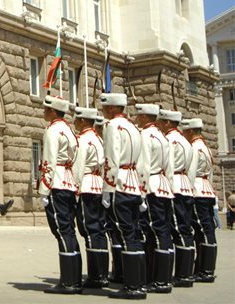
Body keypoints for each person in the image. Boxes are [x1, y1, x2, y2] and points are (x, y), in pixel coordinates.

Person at [100, 93, 145, 299]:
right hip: (134, 183)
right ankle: (139, 282)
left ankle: (132, 286)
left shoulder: (112, 127)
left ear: (110, 108)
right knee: (134, 234)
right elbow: (143, 161)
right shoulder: (133, 127)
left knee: (125, 235)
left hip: (121, 185)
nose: (102, 110)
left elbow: (111, 158)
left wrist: (108, 189)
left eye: (104, 107)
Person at [37, 96, 81, 294]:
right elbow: (75, 156)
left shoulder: (53, 130)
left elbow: (49, 160)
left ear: (53, 111)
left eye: (46, 109)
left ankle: (69, 281)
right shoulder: (69, 130)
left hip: (57, 182)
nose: (44, 112)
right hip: (69, 181)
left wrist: (44, 189)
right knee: (69, 231)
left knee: (62, 231)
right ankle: (75, 277)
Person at [135, 104, 173, 294]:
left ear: (144, 117)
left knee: (153, 233)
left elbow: (143, 166)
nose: (136, 118)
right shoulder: (162, 136)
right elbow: (170, 166)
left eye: (138, 116)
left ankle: (158, 278)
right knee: (163, 231)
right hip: (164, 185)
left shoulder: (145, 135)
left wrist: (141, 192)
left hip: (151, 186)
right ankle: (164, 277)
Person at [157, 109, 196, 287]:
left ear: (167, 123)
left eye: (161, 122)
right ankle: (186, 272)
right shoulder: (185, 141)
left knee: (176, 230)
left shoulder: (170, 140)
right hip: (186, 183)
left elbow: (168, 166)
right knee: (185, 230)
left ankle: (181, 274)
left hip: (175, 186)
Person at [71, 106, 108, 288]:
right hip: (98, 184)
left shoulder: (83, 140)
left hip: (86, 185)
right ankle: (102, 272)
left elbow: (78, 167)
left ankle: (96, 275)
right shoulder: (99, 139)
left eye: (77, 119)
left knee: (89, 230)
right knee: (99, 231)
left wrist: (75, 188)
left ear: (83, 121)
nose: (75, 122)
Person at [182, 118, 218, 283]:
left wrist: (187, 191)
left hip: (197, 189)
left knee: (201, 231)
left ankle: (204, 269)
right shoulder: (206, 148)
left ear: (190, 132)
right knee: (208, 230)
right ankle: (206, 268)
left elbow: (190, 170)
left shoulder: (194, 148)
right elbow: (210, 172)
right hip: (207, 188)